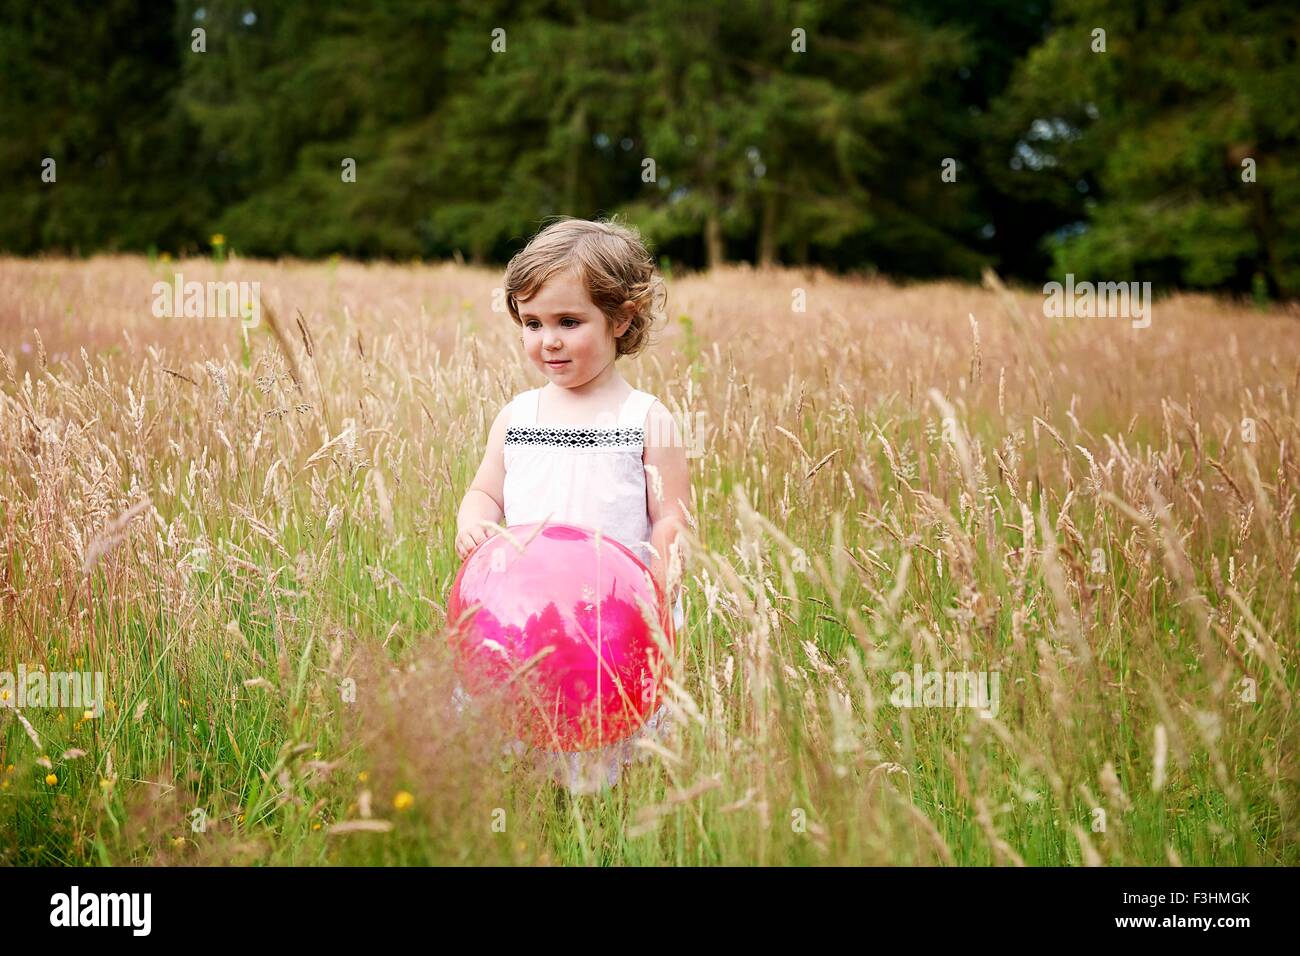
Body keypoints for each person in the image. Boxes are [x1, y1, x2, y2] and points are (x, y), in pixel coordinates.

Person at [454, 216, 691, 793]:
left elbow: (672, 517)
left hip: (613, 620)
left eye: (568, 321)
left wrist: (665, 578)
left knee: (608, 755)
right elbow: (487, 489)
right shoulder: (518, 417)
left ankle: (605, 823)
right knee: (518, 742)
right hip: (525, 619)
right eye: (532, 323)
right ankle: (529, 812)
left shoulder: (646, 420)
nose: (548, 341)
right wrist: (474, 520)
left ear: (621, 317)